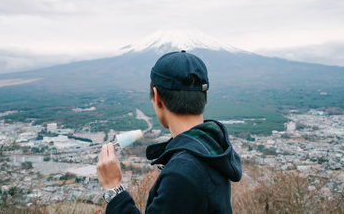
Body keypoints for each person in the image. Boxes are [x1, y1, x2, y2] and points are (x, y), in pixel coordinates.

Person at [97, 50, 242, 214]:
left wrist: (113, 188)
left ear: (157, 97)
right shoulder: (213, 149)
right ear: (205, 94)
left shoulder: (182, 173)